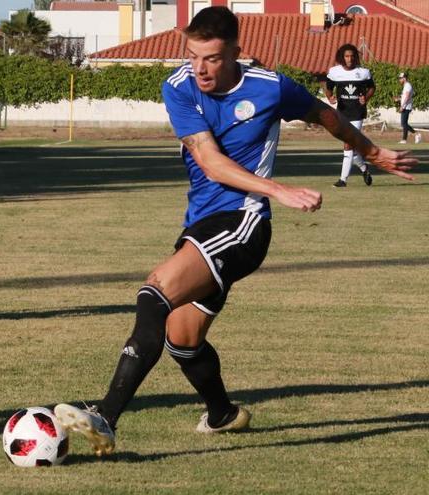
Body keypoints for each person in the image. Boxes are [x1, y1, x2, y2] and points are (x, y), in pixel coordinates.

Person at [53, 7, 416, 457]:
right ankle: (223, 413)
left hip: (245, 222)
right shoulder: (179, 86)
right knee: (182, 340)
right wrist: (280, 187)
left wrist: (372, 151)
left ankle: (105, 417)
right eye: (192, 56)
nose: (200, 68)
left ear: (235, 53)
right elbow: (209, 161)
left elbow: (326, 115)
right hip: (204, 223)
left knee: (155, 292)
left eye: (212, 58)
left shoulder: (270, 87)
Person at [324, 44, 375, 188]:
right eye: (347, 56)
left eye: (352, 56)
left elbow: (372, 88)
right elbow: (328, 87)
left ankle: (342, 180)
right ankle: (364, 169)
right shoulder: (335, 72)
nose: (350, 59)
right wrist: (330, 97)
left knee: (348, 145)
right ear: (342, 57)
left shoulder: (363, 72)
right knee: (352, 147)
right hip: (341, 113)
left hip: (357, 113)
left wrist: (366, 97)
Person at [395, 72, 420, 144]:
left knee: (403, 123)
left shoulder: (408, 85)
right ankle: (404, 139)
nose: (399, 80)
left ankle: (417, 134)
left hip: (406, 107)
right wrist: (399, 99)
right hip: (405, 106)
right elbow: (405, 96)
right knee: (404, 123)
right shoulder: (406, 85)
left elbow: (408, 96)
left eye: (400, 78)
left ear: (404, 78)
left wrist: (402, 106)